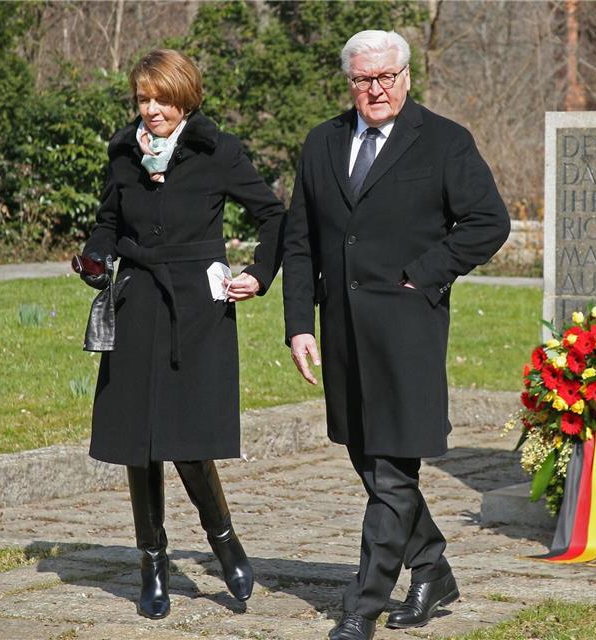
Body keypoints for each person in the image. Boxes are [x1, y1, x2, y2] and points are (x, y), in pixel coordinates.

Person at [282, 30, 510, 640]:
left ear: (407, 77)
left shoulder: (442, 142)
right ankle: (433, 569)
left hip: (408, 328)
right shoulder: (322, 142)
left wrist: (423, 275)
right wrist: (299, 323)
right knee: (368, 457)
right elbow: (299, 240)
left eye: (385, 77)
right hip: (342, 333)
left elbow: (489, 222)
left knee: (389, 469)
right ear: (349, 82)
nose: (375, 89)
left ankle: (362, 606)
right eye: (362, 79)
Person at [79, 49, 285, 619]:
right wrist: (96, 254)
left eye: (161, 99)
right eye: (143, 99)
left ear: (185, 98)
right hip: (138, 302)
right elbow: (109, 221)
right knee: (139, 445)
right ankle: (153, 563)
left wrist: (258, 274)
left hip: (197, 309)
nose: (150, 110)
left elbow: (273, 215)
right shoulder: (123, 152)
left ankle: (225, 542)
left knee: (188, 439)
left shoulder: (217, 150)